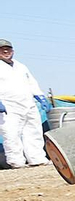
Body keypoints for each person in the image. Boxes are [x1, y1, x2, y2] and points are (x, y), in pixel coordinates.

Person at [0, 39, 48, 168]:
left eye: (8, 49)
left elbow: (31, 82)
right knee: (11, 133)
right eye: (2, 49)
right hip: (8, 106)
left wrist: (40, 96)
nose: (5, 51)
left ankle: (37, 158)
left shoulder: (20, 66)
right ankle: (16, 161)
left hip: (28, 103)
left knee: (34, 131)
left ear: (13, 51)